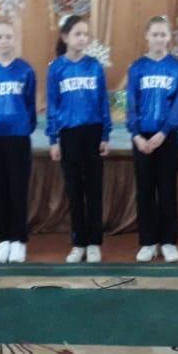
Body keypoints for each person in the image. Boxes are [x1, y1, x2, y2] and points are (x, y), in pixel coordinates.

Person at [46, 15, 112, 263]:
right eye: (78, 34)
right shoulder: (56, 68)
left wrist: (105, 134)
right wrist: (53, 139)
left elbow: (103, 102)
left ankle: (94, 242)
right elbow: (53, 105)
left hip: (92, 132)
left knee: (94, 189)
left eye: (86, 34)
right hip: (69, 135)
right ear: (65, 37)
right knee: (74, 190)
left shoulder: (94, 66)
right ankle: (78, 242)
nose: (83, 38)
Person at [126, 15, 178, 263]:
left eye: (163, 34)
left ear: (169, 37)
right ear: (147, 36)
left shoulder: (177, 68)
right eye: (155, 34)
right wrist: (136, 135)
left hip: (167, 138)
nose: (159, 39)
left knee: (167, 189)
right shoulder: (137, 68)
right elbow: (132, 103)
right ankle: (148, 242)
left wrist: (163, 133)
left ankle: (169, 241)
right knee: (145, 190)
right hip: (142, 139)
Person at [0, 20, 37, 264]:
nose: (4, 41)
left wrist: (23, 126)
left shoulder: (25, 70)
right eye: (0, 37)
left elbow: (30, 103)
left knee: (18, 188)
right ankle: (2, 240)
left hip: (18, 137)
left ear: (15, 39)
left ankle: (18, 240)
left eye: (8, 36)